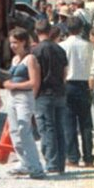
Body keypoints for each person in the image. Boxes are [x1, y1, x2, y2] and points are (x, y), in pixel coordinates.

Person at [2, 27, 45, 179]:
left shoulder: (30, 59)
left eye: (16, 42)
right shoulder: (14, 60)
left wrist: (13, 85)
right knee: (14, 131)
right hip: (12, 97)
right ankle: (24, 162)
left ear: (24, 42)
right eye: (11, 42)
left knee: (24, 131)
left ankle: (36, 166)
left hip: (24, 98)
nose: (13, 46)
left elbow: (34, 82)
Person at [32, 19, 68, 174]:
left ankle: (52, 163)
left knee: (47, 129)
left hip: (44, 93)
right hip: (59, 92)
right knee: (60, 128)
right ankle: (60, 163)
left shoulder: (35, 51)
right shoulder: (60, 49)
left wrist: (33, 95)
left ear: (36, 32)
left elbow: (36, 75)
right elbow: (65, 72)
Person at [59, 17, 94, 167]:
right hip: (84, 84)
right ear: (81, 29)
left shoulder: (62, 46)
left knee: (69, 122)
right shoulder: (88, 46)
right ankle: (88, 157)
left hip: (68, 84)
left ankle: (73, 157)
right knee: (86, 122)